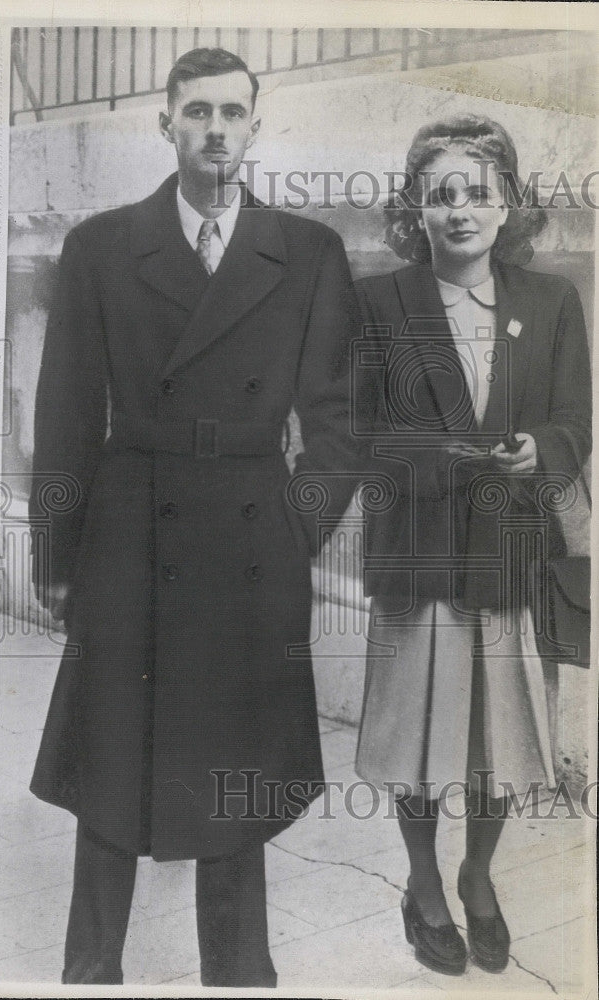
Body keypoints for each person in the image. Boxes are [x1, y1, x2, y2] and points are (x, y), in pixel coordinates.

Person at [28, 47, 360, 986]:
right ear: (164, 123)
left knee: (235, 778)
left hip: (251, 542)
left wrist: (292, 531)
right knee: (109, 770)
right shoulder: (100, 245)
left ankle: (239, 974)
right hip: (128, 538)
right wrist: (58, 562)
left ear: (257, 126)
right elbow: (62, 417)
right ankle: (89, 972)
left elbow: (338, 423)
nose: (214, 129)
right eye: (196, 112)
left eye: (232, 113)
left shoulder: (306, 252)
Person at [353, 115, 591, 976]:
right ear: (415, 207)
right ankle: (421, 885)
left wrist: (541, 450)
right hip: (417, 553)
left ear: (507, 207)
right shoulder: (379, 303)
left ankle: (477, 877)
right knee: (418, 741)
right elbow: (356, 430)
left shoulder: (550, 301)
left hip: (510, 555)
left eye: (477, 193)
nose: (458, 209)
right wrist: (444, 454)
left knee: (499, 741)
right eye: (440, 193)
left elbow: (574, 421)